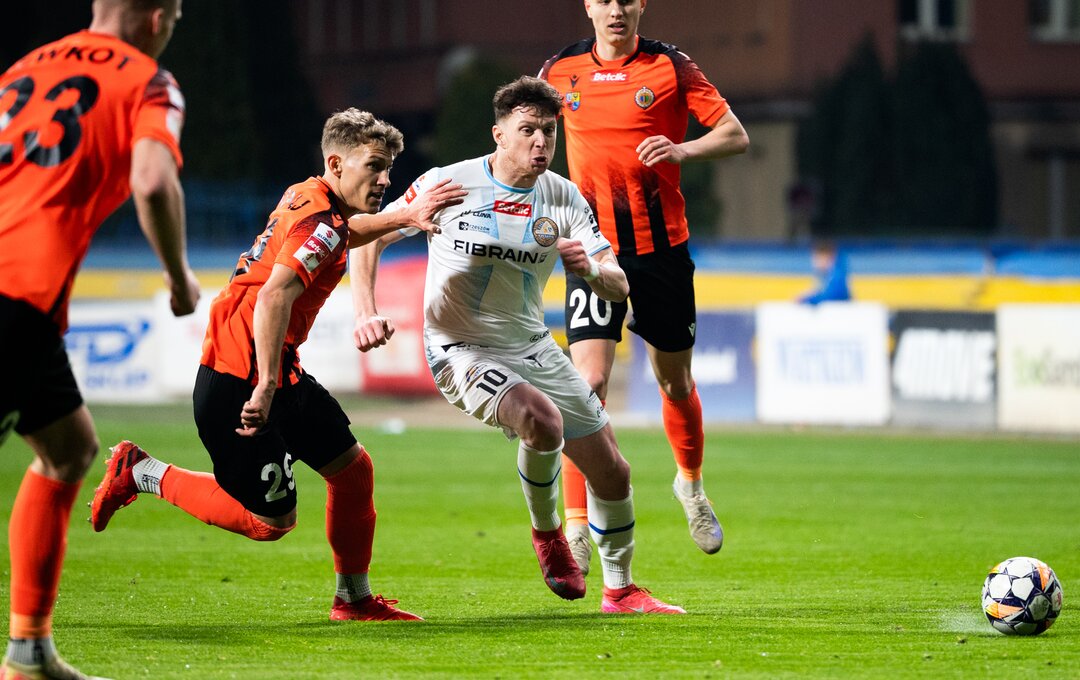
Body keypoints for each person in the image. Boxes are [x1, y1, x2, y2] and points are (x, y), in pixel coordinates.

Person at [89, 109, 465, 623]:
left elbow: (343, 232)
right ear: (337, 163)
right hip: (241, 380)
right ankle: (143, 472)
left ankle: (353, 599)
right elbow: (272, 297)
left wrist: (404, 216)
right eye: (374, 166)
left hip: (275, 368)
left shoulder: (310, 196)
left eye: (389, 168)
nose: (384, 180)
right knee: (271, 522)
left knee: (353, 472)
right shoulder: (320, 220)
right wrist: (265, 386)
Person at [351, 76, 685, 615]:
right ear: (499, 134)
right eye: (528, 129)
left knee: (613, 472)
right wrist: (365, 310)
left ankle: (621, 590)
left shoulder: (563, 196)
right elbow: (367, 235)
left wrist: (590, 270)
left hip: (530, 344)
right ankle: (548, 534)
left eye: (549, 130)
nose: (540, 141)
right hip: (459, 347)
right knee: (542, 420)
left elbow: (619, 284)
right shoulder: (449, 184)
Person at [0, 1, 199, 677]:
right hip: (13, 293)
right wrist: (179, 277)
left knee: (69, 449)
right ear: (157, 18)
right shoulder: (149, 81)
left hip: (24, 304)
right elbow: (153, 182)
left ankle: (29, 653)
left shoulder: (25, 68)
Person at [539, 0, 750, 573]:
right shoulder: (559, 71)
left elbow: (734, 135)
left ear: (641, 5)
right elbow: (523, 136)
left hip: (663, 252)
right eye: (604, 0)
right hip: (592, 250)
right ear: (588, 6)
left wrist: (683, 149)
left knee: (674, 381)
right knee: (587, 385)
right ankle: (577, 525)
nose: (616, 10)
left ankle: (690, 486)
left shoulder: (671, 66)